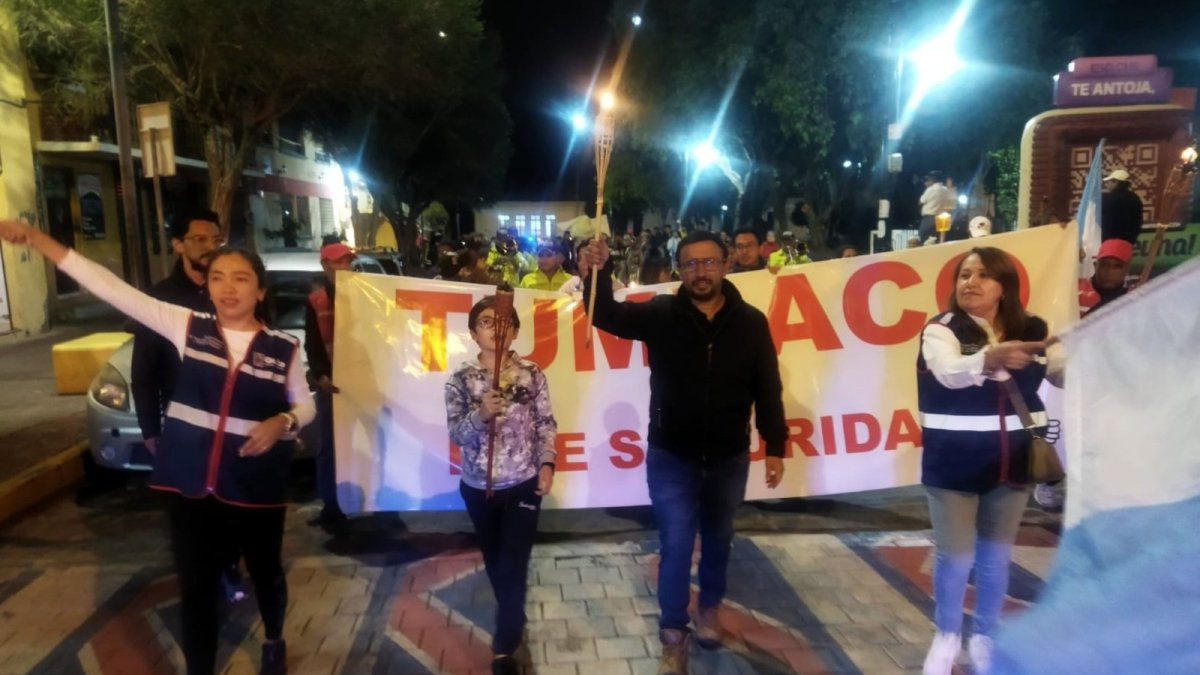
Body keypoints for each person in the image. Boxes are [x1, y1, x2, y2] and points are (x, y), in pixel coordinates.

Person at [0, 218, 314, 675]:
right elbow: (111, 288)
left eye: (241, 278)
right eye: (218, 278)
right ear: (207, 287)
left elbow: (306, 407)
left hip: (252, 483)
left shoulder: (283, 348)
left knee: (265, 571)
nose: (228, 288)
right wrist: (41, 242)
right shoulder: (187, 326)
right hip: (189, 486)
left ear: (260, 291)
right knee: (197, 587)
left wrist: (282, 420)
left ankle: (273, 638)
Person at [579, 231, 787, 675]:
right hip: (672, 456)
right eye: (690, 264)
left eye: (709, 262)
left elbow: (767, 385)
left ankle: (708, 609)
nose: (700, 272)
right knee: (675, 544)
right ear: (678, 269)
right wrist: (600, 269)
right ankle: (673, 635)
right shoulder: (661, 314)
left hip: (730, 457)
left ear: (726, 264)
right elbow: (603, 314)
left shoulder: (751, 322)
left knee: (718, 541)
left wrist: (775, 443)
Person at [917, 246, 1058, 675]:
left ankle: (984, 637)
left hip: (1013, 464)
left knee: (996, 558)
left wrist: (1094, 347)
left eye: (982, 275)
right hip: (952, 466)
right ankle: (946, 637)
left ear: (1004, 286)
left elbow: (1063, 371)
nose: (970, 283)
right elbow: (947, 371)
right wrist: (989, 358)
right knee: (956, 557)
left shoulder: (1032, 328)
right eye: (964, 274)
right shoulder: (941, 329)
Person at [444, 293, 557, 675]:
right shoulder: (460, 380)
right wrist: (481, 415)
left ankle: (504, 646)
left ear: (515, 331)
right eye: (487, 322)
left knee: (515, 561)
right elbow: (457, 434)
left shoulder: (532, 374)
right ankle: (513, 612)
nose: (496, 328)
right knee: (495, 562)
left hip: (523, 484)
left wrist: (546, 463)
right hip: (478, 486)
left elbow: (545, 423)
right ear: (474, 332)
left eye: (503, 322)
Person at [304, 242, 357, 529]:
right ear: (325, 266)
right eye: (338, 263)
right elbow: (313, 344)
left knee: (373, 443)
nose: (344, 268)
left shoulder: (367, 294)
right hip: (332, 388)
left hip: (367, 386)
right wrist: (321, 375)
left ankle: (382, 506)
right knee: (329, 448)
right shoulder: (317, 301)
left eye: (348, 262)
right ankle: (332, 507)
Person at [1100, 168, 1144, 245]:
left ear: (1116, 182)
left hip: (1109, 242)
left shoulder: (1107, 198)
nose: (1106, 184)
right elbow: (1138, 221)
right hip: (1128, 242)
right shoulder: (1135, 198)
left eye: (1109, 182)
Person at [918, 171, 956, 243]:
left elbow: (921, 202)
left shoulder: (930, 189)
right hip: (940, 219)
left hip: (928, 218)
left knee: (923, 239)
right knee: (936, 240)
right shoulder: (945, 190)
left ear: (933, 179)